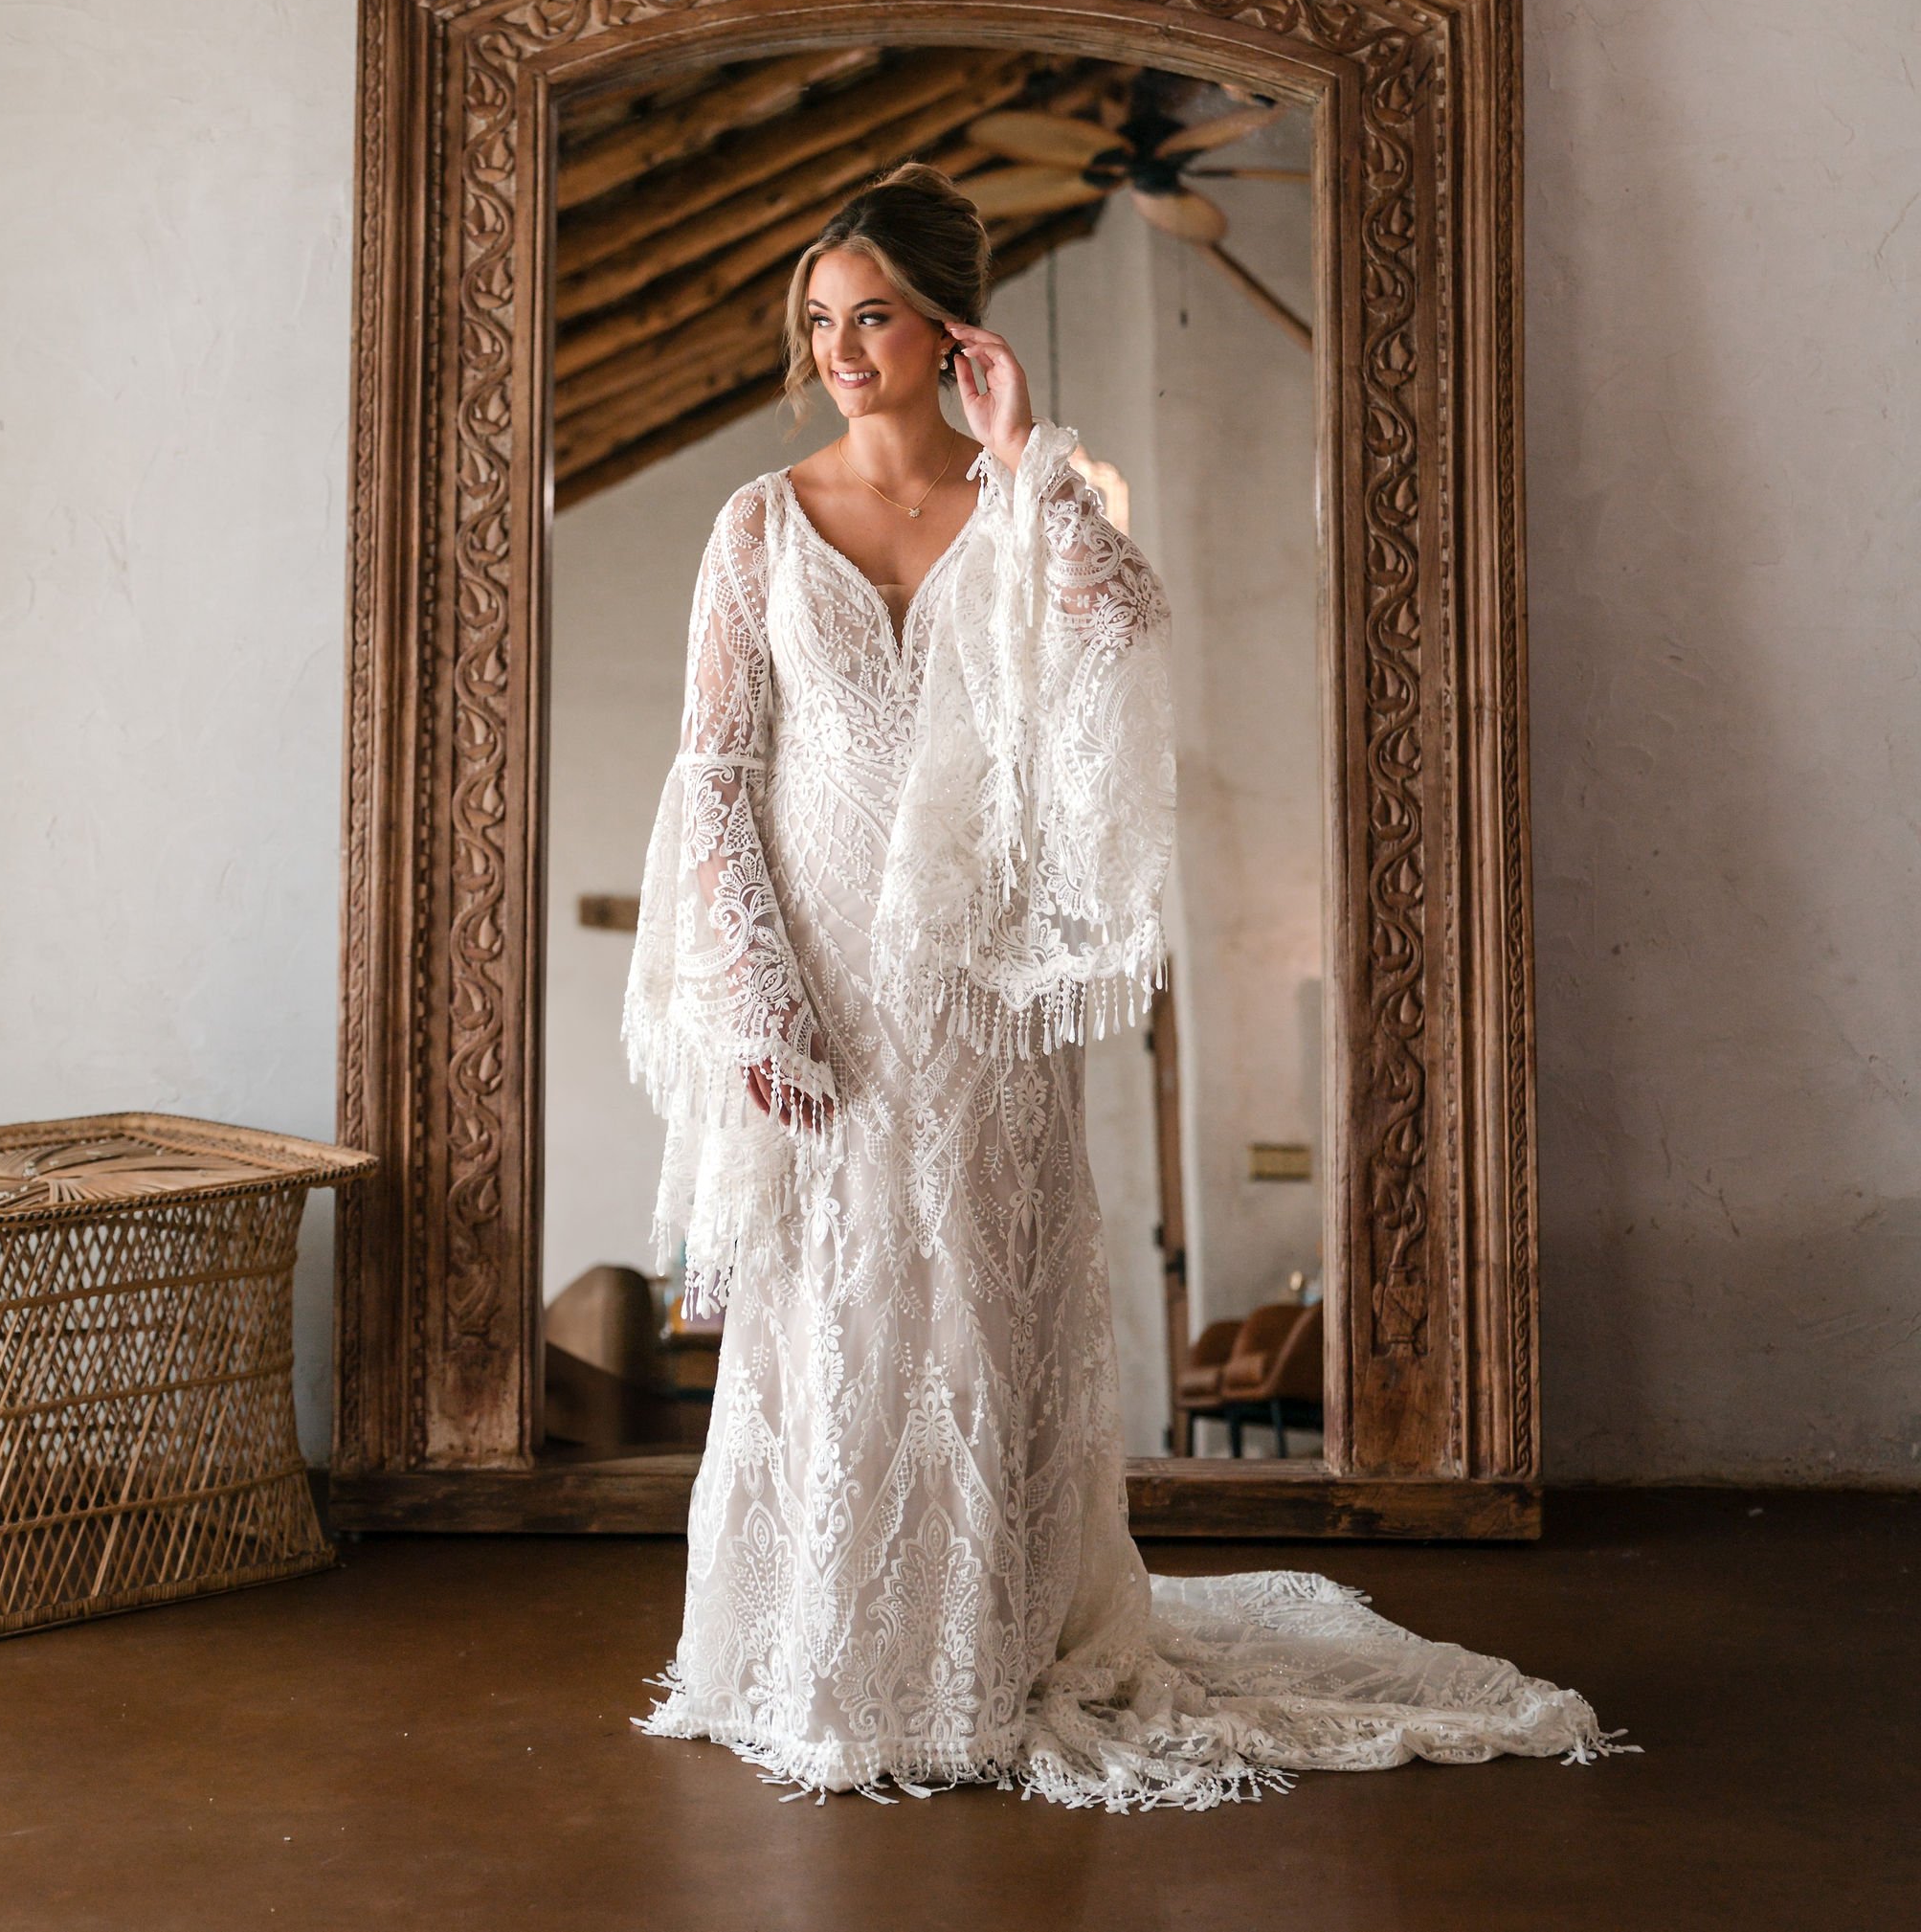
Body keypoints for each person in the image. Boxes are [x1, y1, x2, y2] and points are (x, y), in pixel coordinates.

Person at [625, 161, 1614, 1805]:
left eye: (873, 313)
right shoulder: (753, 525)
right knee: (834, 1305)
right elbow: (716, 774)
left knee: (980, 1296)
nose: (842, 346)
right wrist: (754, 991)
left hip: (979, 983)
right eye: (820, 318)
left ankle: (990, 1648)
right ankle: (826, 1653)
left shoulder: (1036, 501)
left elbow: (1120, 636)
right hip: (820, 978)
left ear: (949, 325)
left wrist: (1022, 457)